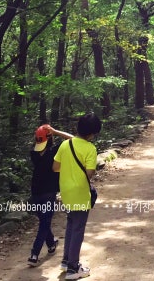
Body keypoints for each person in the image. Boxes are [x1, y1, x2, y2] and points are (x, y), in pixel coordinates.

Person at [53, 113, 101, 280]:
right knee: (78, 229)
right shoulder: (90, 149)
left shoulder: (65, 145)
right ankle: (73, 268)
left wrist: (69, 169)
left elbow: (55, 167)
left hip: (65, 192)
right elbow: (90, 172)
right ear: (91, 134)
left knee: (71, 224)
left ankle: (66, 261)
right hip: (80, 193)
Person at [28, 124, 73, 267]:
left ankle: (51, 244)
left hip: (35, 193)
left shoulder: (33, 153)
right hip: (48, 193)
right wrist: (55, 132)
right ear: (50, 138)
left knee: (44, 222)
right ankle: (34, 254)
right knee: (44, 223)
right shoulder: (54, 151)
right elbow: (73, 139)